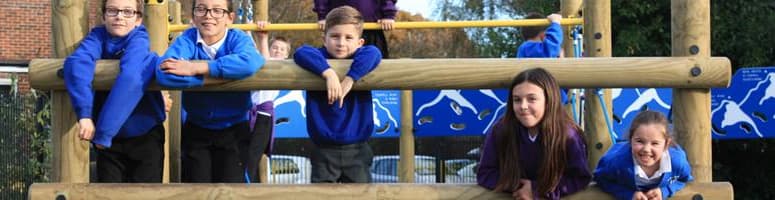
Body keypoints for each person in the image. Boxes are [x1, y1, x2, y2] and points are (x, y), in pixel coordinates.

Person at [155, 0, 264, 183]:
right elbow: (164, 72)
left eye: (217, 11)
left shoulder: (237, 38)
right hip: (197, 128)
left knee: (231, 190)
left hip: (234, 129)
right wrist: (209, 78)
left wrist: (198, 68)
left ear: (230, 18)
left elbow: (251, 62)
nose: (208, 15)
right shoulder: (187, 40)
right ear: (193, 16)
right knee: (197, 188)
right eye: (201, 9)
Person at [63, 0, 166, 183]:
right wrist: (84, 114)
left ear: (138, 19)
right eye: (112, 11)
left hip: (144, 133)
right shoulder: (97, 37)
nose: (119, 16)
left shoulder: (139, 39)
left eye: (128, 12)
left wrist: (103, 133)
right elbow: (76, 63)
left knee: (146, 194)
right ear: (103, 16)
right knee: (109, 193)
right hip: (110, 143)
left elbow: (132, 77)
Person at [293, 5, 382, 183]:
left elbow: (375, 52)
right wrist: (328, 73)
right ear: (324, 39)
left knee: (361, 195)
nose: (341, 43)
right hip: (323, 149)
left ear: (359, 42)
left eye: (349, 37)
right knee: (323, 195)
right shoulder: (318, 57)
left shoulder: (363, 57)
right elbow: (301, 52)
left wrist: (350, 78)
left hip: (357, 148)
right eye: (335, 36)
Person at [477, 68, 591, 199]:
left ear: (548, 100)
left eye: (532, 99)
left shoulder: (568, 135)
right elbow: (485, 173)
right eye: (517, 100)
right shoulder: (501, 130)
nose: (523, 106)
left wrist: (538, 190)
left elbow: (580, 177)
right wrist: (518, 186)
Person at [594, 111, 693, 200]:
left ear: (666, 144)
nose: (646, 149)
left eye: (654, 143)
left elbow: (684, 179)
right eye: (640, 141)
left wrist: (665, 191)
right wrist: (629, 194)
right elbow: (600, 178)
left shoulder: (677, 162)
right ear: (630, 140)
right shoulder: (617, 163)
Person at [313, 0, 396, 58]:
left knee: (375, 62)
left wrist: (388, 14)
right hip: (338, 28)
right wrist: (322, 15)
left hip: (371, 28)